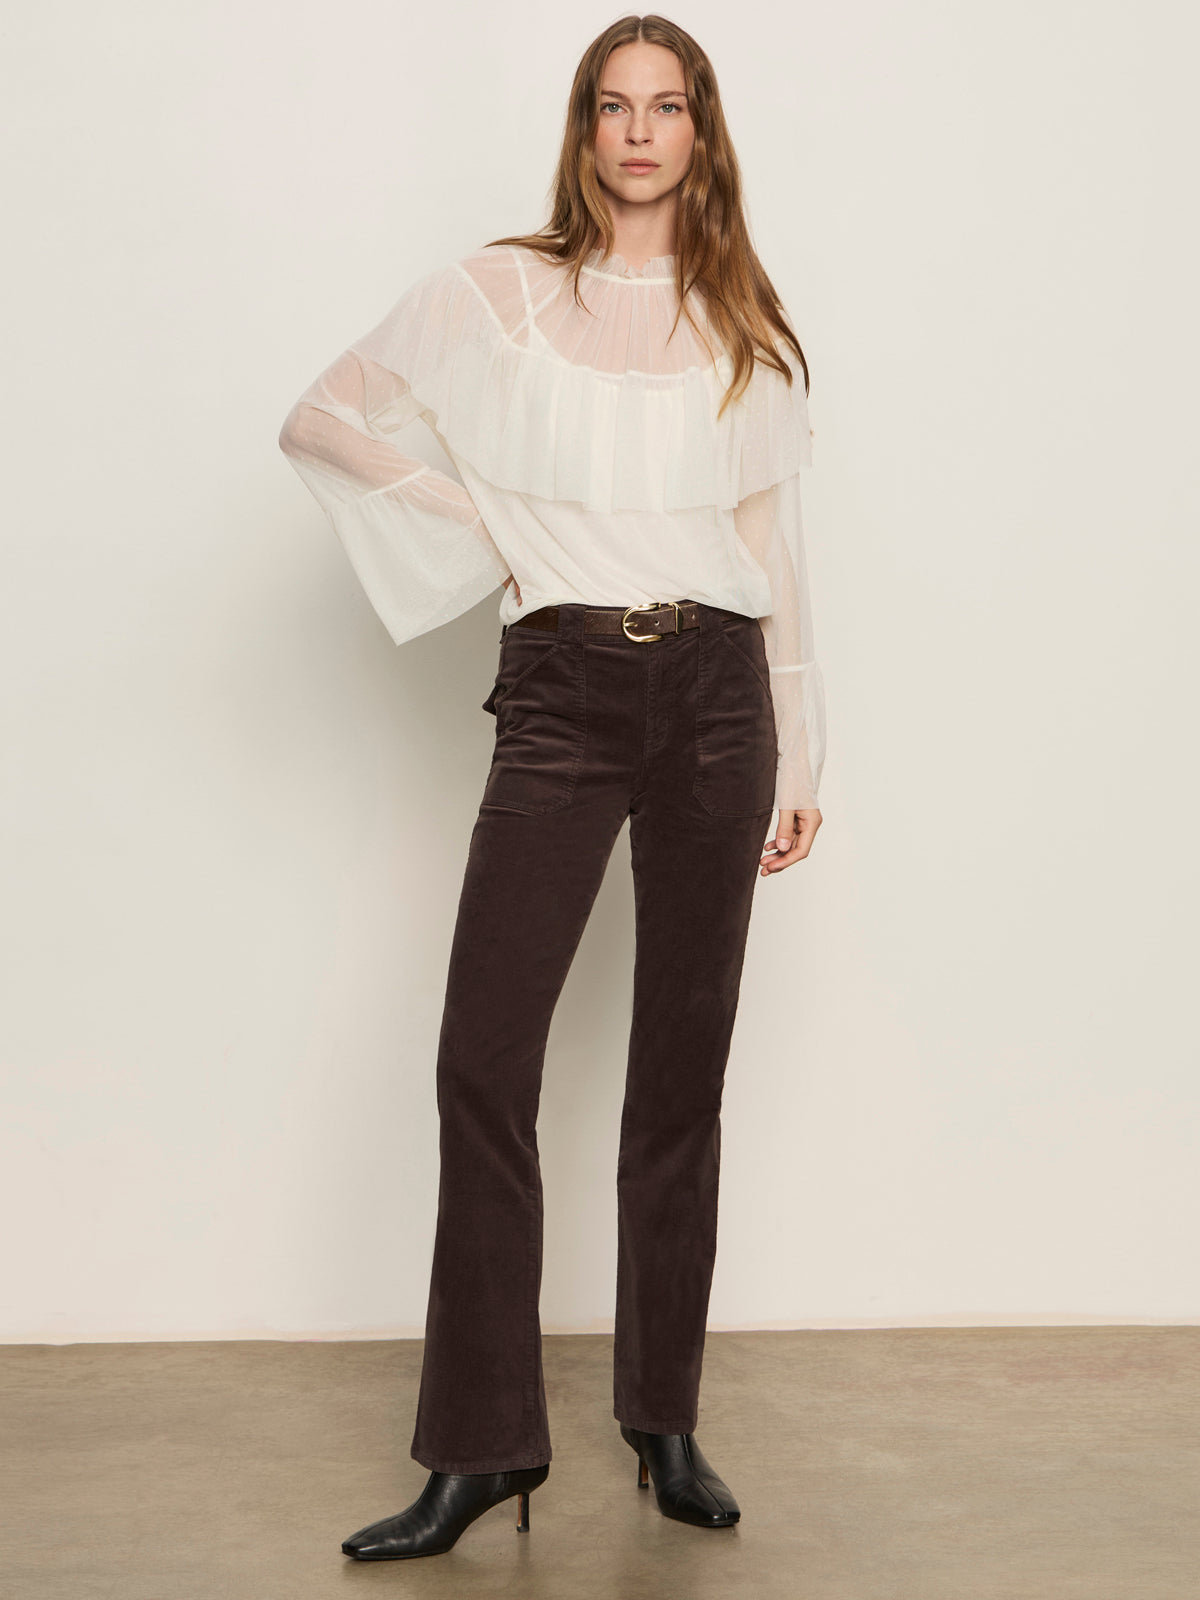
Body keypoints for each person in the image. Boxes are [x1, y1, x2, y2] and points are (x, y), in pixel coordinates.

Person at [277, 13, 826, 1562]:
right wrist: (491, 529)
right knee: (484, 1060)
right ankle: (480, 1445)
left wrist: (806, 748)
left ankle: (662, 1414)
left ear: (703, 135)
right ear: (584, 132)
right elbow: (322, 413)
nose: (640, 132)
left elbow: (780, 559)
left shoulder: (749, 326)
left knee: (679, 1072)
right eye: (613, 107)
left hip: (722, 701)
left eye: (668, 108)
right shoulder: (501, 294)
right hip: (566, 697)